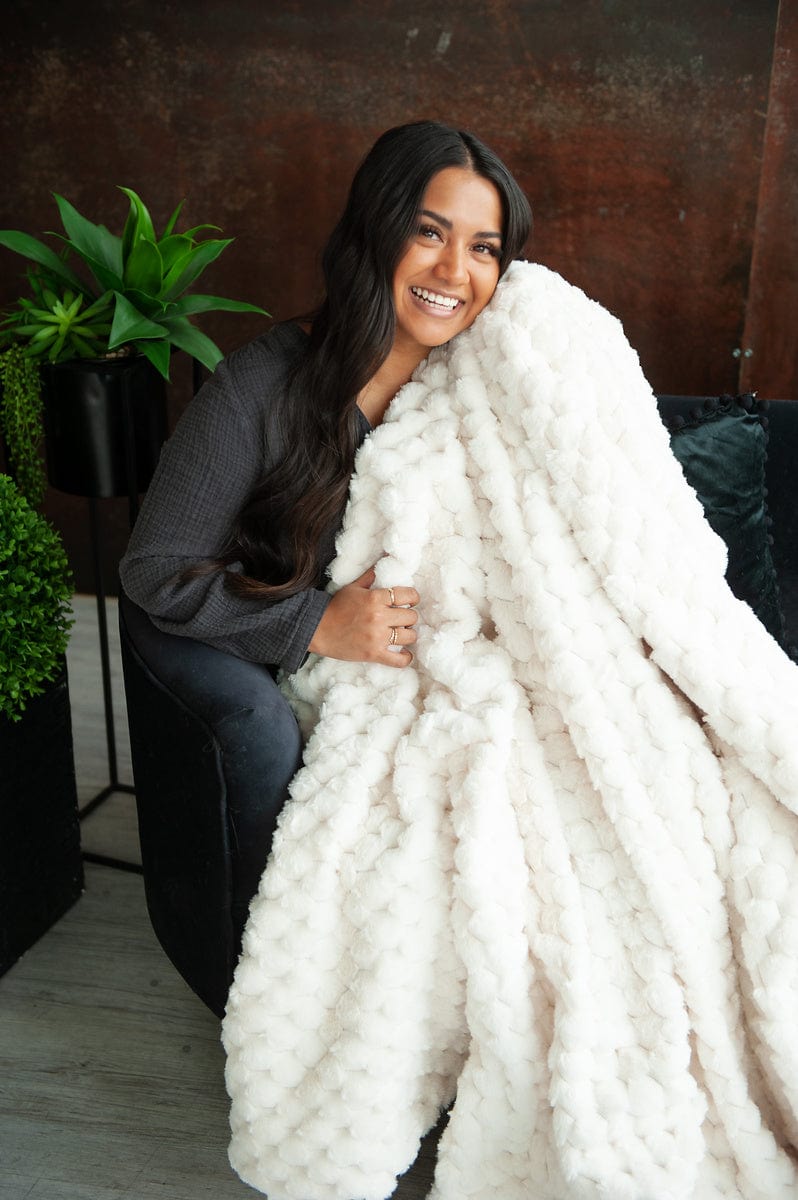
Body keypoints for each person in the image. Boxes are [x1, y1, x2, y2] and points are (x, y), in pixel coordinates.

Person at [119, 119, 532, 943]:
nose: (456, 272)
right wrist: (314, 624)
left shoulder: (497, 376)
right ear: (375, 230)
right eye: (429, 233)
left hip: (479, 680)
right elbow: (154, 568)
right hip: (346, 695)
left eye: (484, 248)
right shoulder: (261, 387)